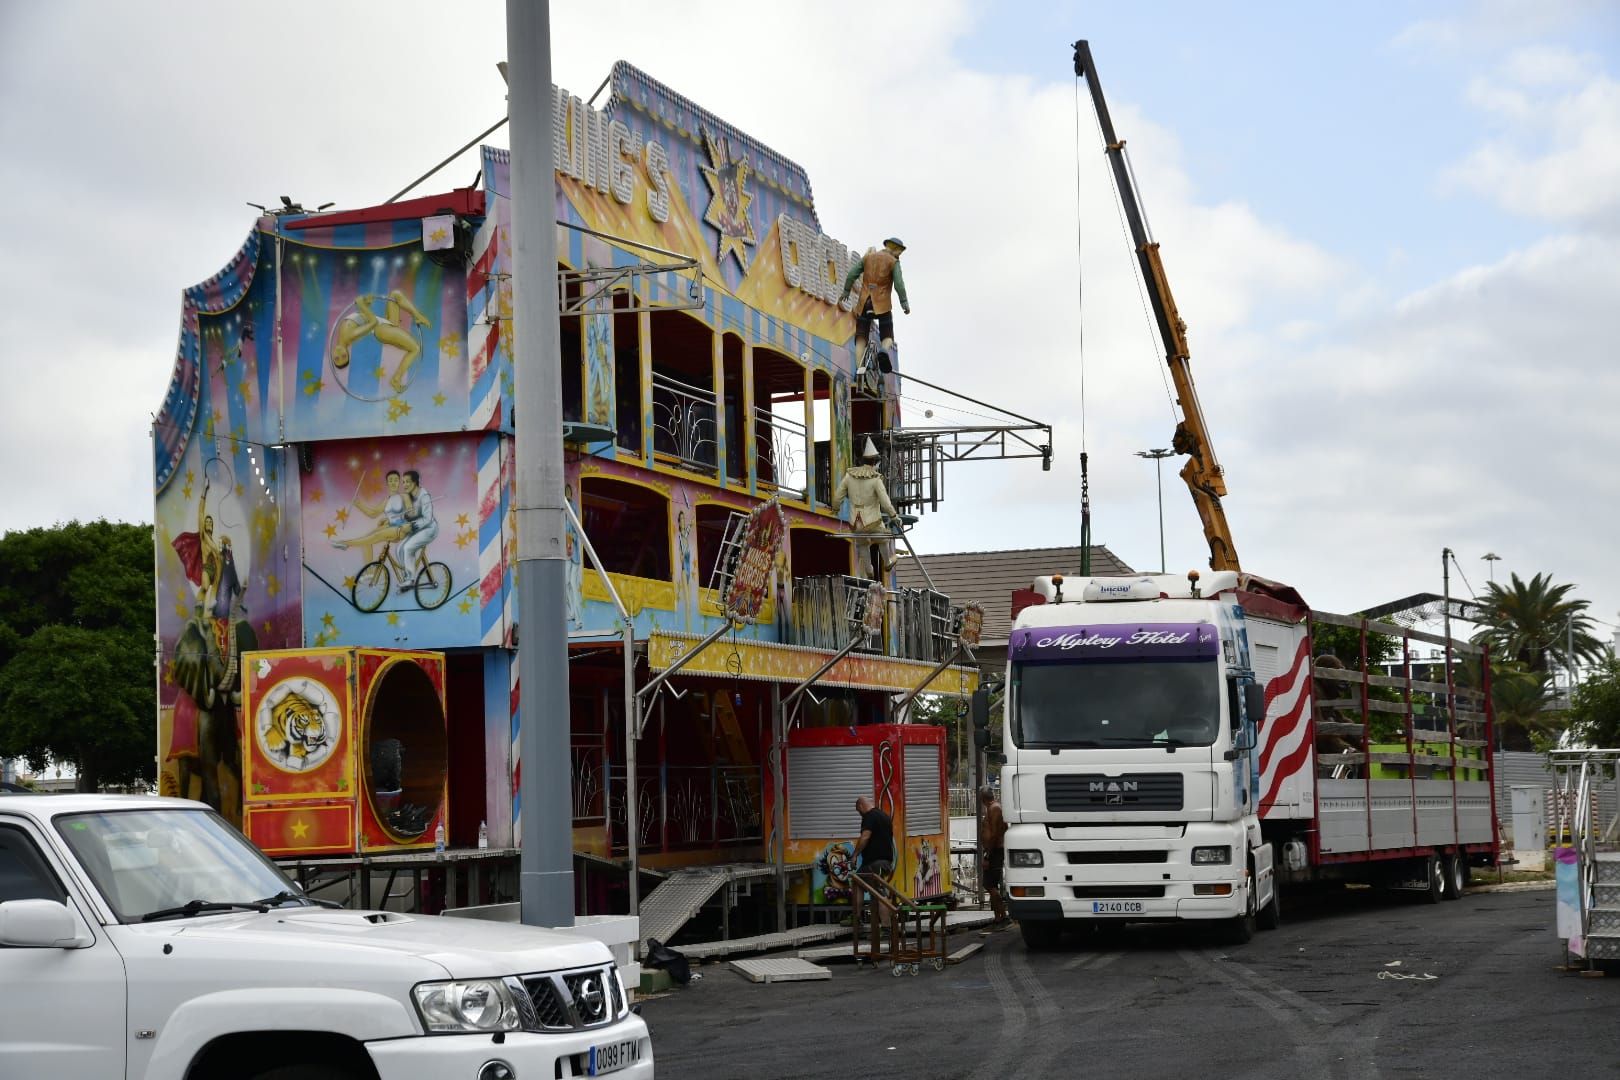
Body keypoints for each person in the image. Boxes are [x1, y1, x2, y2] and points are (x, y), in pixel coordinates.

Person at [331, 290, 432, 394]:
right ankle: (396, 379)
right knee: (415, 348)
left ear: (332, 354)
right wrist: (362, 305)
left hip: (383, 324)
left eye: (337, 358)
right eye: (343, 357)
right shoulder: (348, 336)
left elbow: (362, 318)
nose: (340, 354)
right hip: (381, 329)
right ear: (348, 353)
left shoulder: (343, 337)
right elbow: (373, 322)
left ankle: (417, 315)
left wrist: (366, 304)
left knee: (395, 295)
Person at [839, 237, 910, 375]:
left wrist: (846, 290)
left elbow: (852, 274)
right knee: (887, 332)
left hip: (864, 303)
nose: (899, 256)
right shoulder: (893, 262)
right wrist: (904, 302)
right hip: (882, 304)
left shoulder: (868, 257)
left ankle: (859, 368)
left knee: (861, 336)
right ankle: (883, 350)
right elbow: (899, 284)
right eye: (899, 253)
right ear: (895, 249)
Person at [833, 438, 899, 579]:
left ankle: (869, 570)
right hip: (873, 520)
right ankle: (887, 562)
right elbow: (885, 502)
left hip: (855, 521)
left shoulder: (849, 477)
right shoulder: (876, 479)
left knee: (862, 544)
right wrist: (894, 516)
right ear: (875, 462)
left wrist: (835, 509)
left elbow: (838, 496)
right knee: (883, 538)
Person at [333, 469, 415, 569]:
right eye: (390, 480)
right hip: (391, 528)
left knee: (375, 535)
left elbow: (411, 514)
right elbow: (373, 514)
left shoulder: (404, 496)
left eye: (396, 480)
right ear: (387, 483)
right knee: (367, 539)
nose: (393, 482)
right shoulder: (387, 500)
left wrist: (409, 512)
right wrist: (359, 505)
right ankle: (369, 573)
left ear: (399, 482)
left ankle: (345, 544)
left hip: (402, 529)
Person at [398, 470, 439, 581]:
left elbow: (427, 518)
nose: (405, 485)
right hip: (417, 529)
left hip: (429, 529)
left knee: (408, 548)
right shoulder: (408, 496)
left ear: (415, 482)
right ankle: (406, 575)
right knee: (399, 549)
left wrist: (411, 526)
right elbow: (404, 514)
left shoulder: (424, 495)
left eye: (408, 482)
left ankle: (410, 579)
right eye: (403, 482)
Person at [980, 784, 1009, 925]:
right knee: (989, 884)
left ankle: (1002, 915)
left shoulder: (994, 808)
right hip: (993, 850)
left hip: (995, 851)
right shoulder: (991, 808)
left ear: (983, 797)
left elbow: (995, 834)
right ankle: (999, 914)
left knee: (990, 884)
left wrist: (987, 856)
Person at [851, 795, 895, 880]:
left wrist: (855, 855)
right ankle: (882, 892)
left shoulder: (869, 816)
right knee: (875, 889)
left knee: (857, 881)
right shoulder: (885, 816)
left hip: (874, 863)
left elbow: (865, 837)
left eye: (859, 811)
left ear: (861, 806)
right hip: (887, 863)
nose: (860, 814)